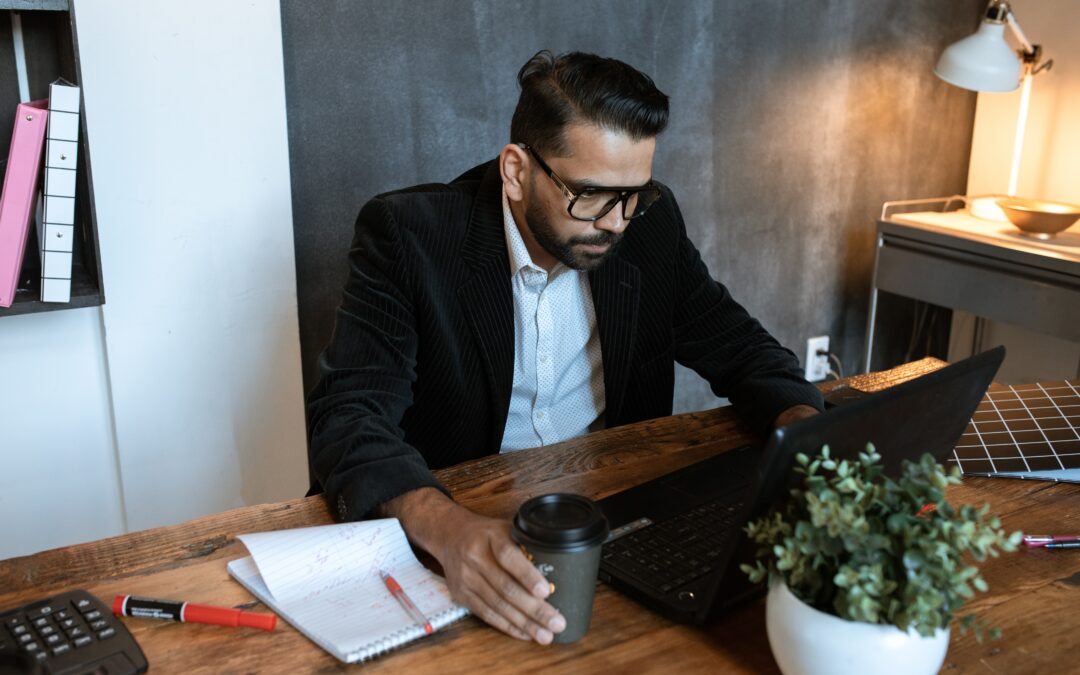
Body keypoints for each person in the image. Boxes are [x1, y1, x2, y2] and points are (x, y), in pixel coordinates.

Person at [307, 50, 823, 645]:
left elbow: (739, 346)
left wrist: (806, 437)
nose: (616, 222)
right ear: (516, 170)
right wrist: (449, 530)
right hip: (459, 528)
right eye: (593, 195)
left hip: (616, 524)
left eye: (635, 194)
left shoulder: (648, 224)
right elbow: (348, 414)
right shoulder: (410, 236)